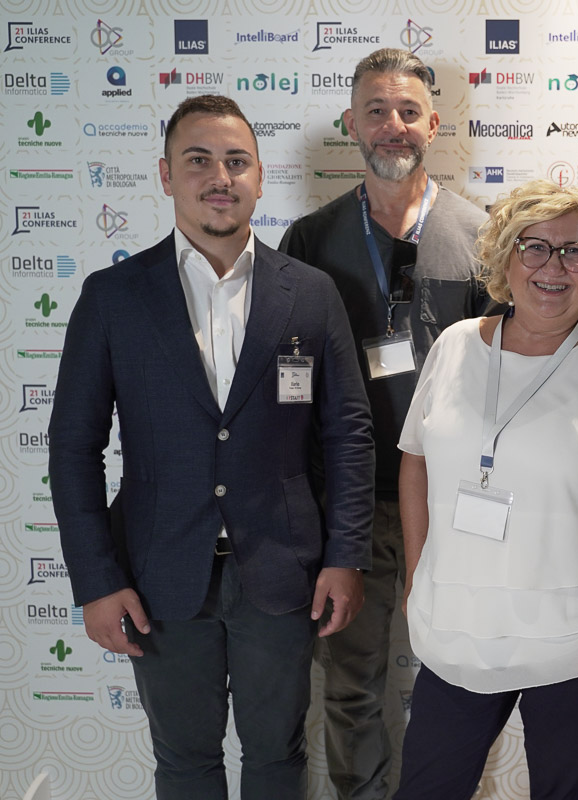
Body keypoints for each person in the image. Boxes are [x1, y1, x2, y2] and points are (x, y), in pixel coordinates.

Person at [48, 95, 374, 800]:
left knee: (277, 756)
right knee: (185, 762)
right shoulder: (112, 297)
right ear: (167, 175)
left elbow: (348, 434)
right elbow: (74, 447)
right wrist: (96, 580)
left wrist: (346, 556)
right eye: (198, 160)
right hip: (157, 575)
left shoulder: (311, 293)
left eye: (236, 161)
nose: (219, 177)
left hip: (284, 572)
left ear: (258, 177)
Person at [393, 180, 578, 800]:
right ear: (504, 256)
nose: (553, 266)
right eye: (534, 247)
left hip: (575, 639)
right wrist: (418, 576)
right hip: (457, 630)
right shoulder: (454, 347)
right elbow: (415, 460)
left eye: (576, 251)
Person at [279, 47, 488, 800]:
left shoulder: (483, 233)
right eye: (376, 111)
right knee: (351, 683)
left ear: (433, 124)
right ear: (351, 124)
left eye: (407, 111)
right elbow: (290, 380)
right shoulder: (310, 240)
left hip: (457, 502)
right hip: (349, 507)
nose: (392, 125)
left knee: (461, 676)